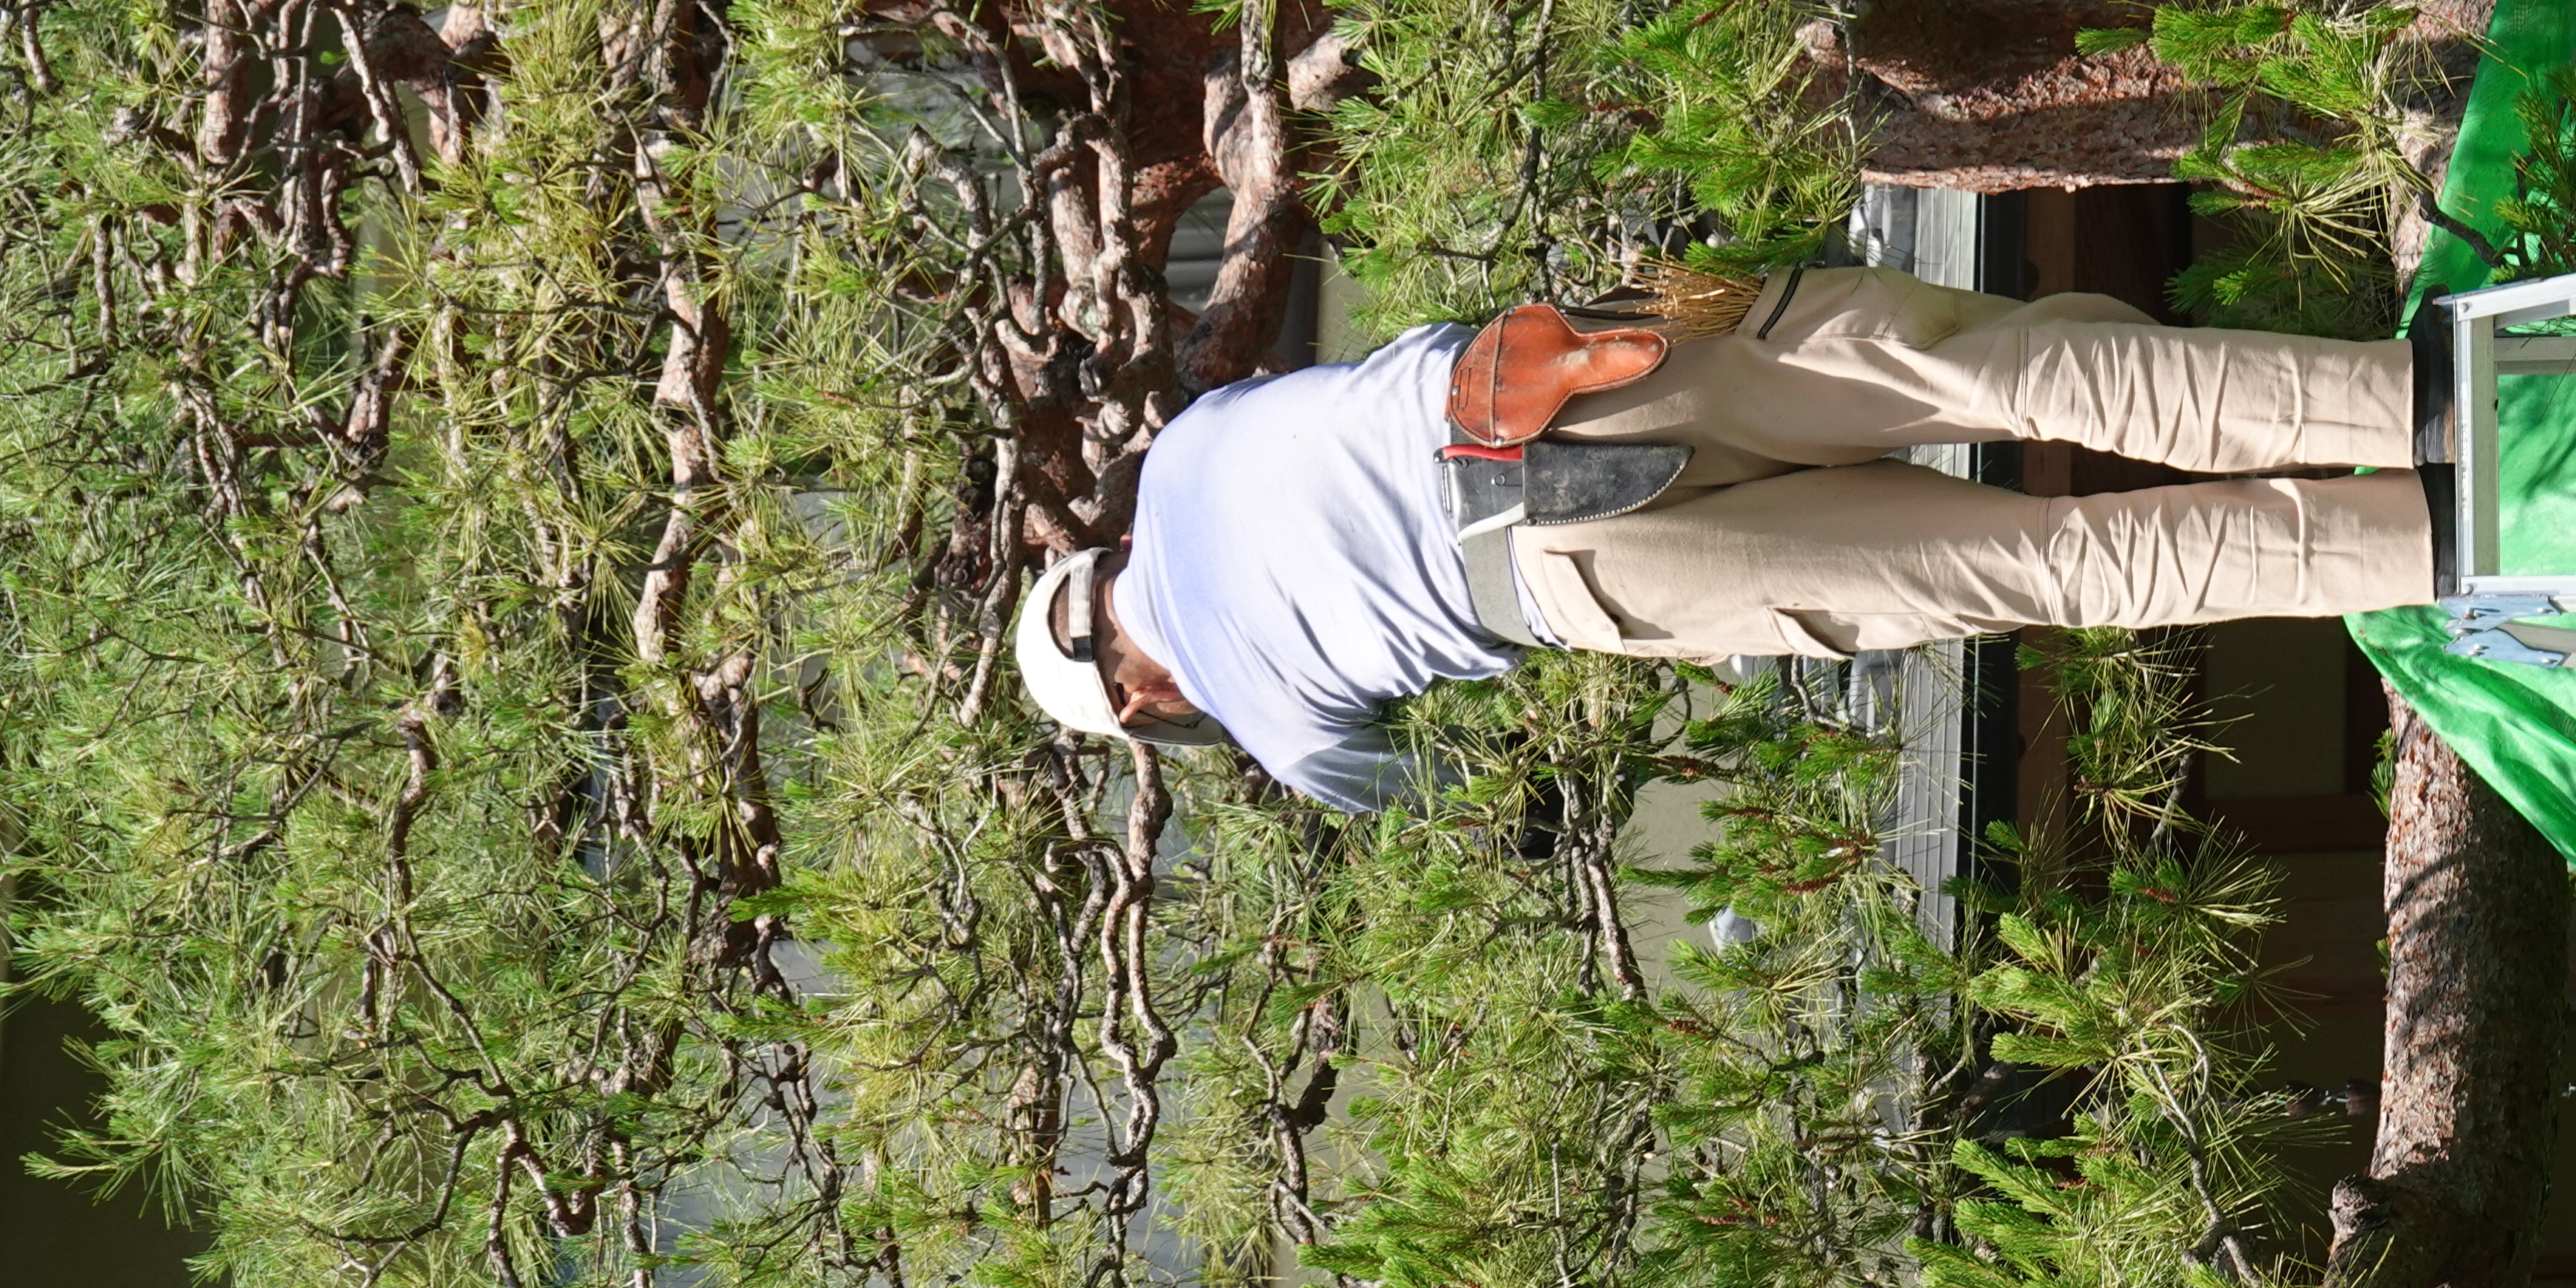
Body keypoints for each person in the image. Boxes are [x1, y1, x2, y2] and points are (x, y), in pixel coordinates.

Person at [1011, 263, 2437, 809]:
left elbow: (1470, 800)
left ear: (1137, 700)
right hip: (1572, 368)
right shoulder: (1184, 447)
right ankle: (2426, 396)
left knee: (2050, 564)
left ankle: (2425, 545)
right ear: (1106, 568)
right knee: (2014, 374)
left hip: (1572, 576)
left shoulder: (1272, 727)